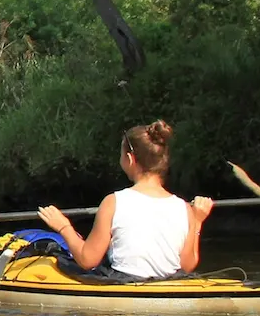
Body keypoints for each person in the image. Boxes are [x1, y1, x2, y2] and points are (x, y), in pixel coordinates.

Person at [37, 120, 214, 279]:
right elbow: (187, 266)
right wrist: (197, 221)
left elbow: (87, 259)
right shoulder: (184, 208)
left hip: (126, 286)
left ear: (130, 159)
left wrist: (63, 226)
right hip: (166, 288)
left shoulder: (113, 202)